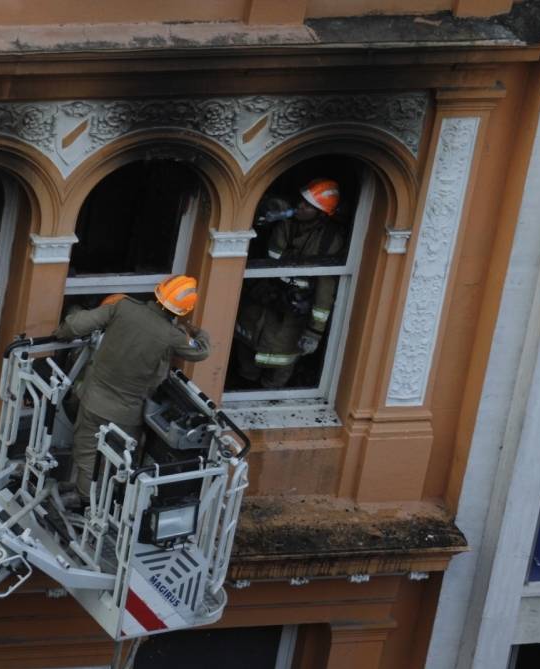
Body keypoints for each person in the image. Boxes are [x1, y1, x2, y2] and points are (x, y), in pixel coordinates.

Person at [53, 276, 211, 503]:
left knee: (87, 455)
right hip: (128, 415)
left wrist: (60, 333)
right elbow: (202, 351)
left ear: (158, 293)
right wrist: (193, 330)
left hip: (93, 401)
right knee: (119, 461)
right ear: (182, 311)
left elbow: (76, 325)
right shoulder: (173, 336)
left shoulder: (123, 307)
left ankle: (85, 499)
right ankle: (101, 505)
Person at [234, 177, 345, 388]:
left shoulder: (329, 240)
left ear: (321, 214)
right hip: (259, 306)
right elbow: (264, 258)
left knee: (280, 365)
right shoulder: (282, 224)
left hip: (290, 319)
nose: (300, 207)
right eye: (301, 201)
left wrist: (314, 332)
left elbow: (325, 289)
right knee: (246, 354)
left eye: (308, 206)